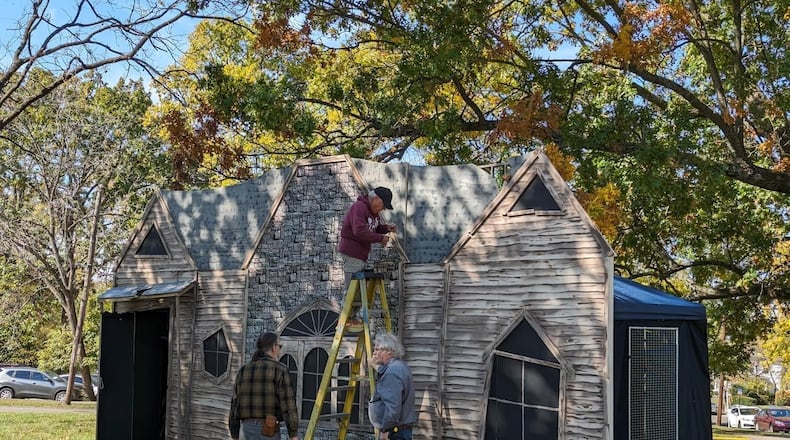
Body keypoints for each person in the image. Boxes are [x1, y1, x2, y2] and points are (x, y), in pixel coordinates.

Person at [339, 187, 397, 331]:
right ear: (375, 199)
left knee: (358, 287)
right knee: (353, 288)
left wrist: (385, 228)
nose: (382, 209)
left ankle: (351, 318)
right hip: (352, 252)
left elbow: (372, 228)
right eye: (383, 205)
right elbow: (359, 231)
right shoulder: (359, 208)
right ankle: (346, 319)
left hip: (360, 255)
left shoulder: (373, 214)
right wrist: (380, 238)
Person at [229, 332, 299, 440]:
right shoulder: (280, 369)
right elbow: (288, 404)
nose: (279, 350)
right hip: (268, 431)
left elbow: (235, 404)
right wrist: (293, 434)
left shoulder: (244, 370)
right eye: (279, 346)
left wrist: (234, 434)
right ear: (273, 347)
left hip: (245, 430)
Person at [368, 332, 417, 440]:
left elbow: (392, 407)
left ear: (389, 351)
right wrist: (375, 366)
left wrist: (386, 430)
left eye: (377, 349)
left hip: (395, 432)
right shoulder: (399, 366)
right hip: (400, 429)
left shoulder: (392, 372)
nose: (374, 353)